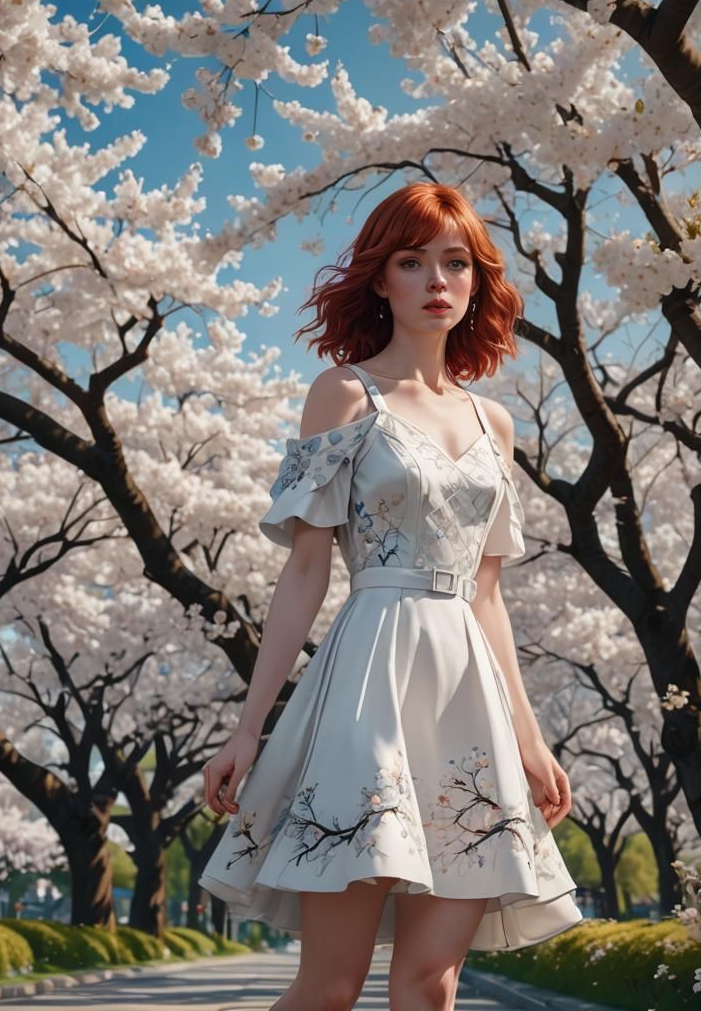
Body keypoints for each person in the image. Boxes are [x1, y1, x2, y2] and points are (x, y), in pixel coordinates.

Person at [199, 182, 583, 1011]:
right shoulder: (343, 395)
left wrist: (530, 735)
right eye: (412, 262)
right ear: (381, 280)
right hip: (368, 685)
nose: (436, 280)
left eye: (455, 263)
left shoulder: (495, 425)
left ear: (477, 281)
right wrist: (248, 728)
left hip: (467, 696)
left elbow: (488, 594)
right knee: (331, 987)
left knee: (431, 985)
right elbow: (304, 571)